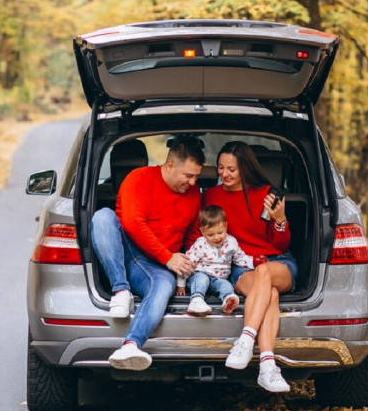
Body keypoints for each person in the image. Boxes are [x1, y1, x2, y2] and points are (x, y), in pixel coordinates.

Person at [90, 138, 205, 371]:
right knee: (102, 217)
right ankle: (120, 290)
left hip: (156, 266)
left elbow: (194, 237)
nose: (193, 182)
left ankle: (131, 345)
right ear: (170, 165)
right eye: (188, 175)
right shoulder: (139, 178)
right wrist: (168, 257)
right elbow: (133, 224)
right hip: (125, 248)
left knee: (163, 287)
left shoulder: (194, 195)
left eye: (197, 177)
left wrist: (194, 264)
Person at [202, 141, 298, 393]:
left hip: (278, 262)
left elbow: (280, 243)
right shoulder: (211, 196)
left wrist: (280, 220)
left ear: (245, 168)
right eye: (221, 168)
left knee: (265, 271)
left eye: (231, 169)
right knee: (271, 294)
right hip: (242, 267)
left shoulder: (267, 194)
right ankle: (267, 366)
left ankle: (245, 339)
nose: (224, 174)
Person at [176, 205, 262, 317]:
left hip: (219, 279)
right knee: (201, 280)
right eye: (211, 235)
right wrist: (181, 284)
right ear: (202, 231)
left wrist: (254, 262)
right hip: (200, 274)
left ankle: (228, 301)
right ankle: (196, 300)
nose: (217, 238)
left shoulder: (231, 242)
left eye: (220, 232)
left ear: (226, 226)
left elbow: (240, 258)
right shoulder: (200, 245)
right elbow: (187, 264)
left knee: (226, 286)